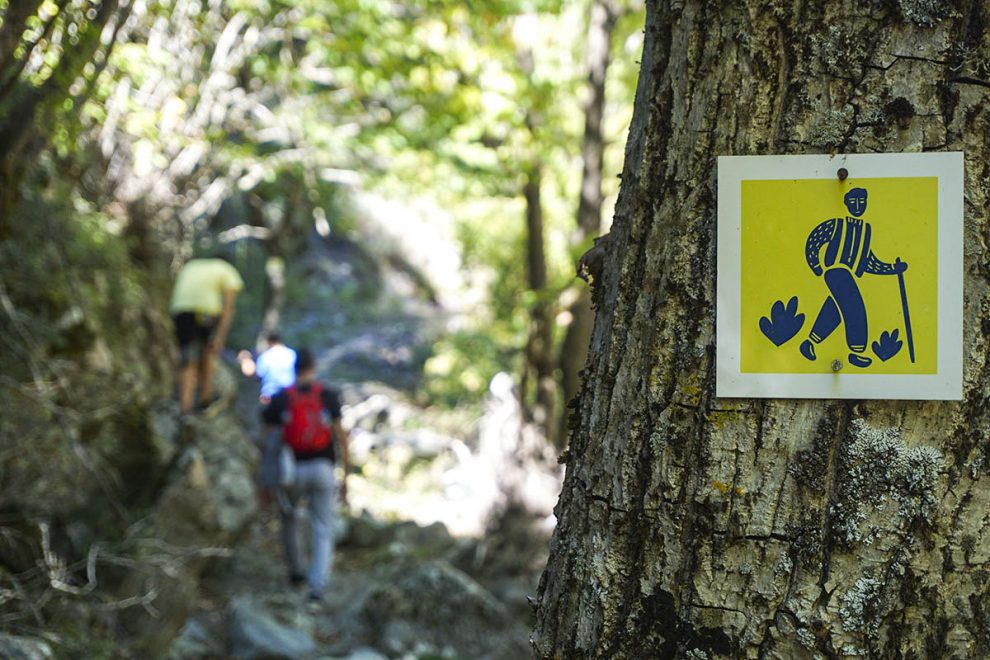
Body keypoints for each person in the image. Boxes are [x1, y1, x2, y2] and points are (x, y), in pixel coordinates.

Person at [262, 348, 349, 602]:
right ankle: (317, 586)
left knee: (289, 519)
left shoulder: (279, 399)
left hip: (290, 470)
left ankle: (296, 572)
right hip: (323, 468)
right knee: (323, 526)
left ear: (294, 368)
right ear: (313, 366)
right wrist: (346, 474)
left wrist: (266, 480)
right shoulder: (328, 396)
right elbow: (341, 437)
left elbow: (269, 443)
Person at [799, 187, 907, 368]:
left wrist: (892, 269)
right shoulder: (837, 224)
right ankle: (857, 352)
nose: (858, 206)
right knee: (855, 308)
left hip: (848, 274)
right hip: (835, 271)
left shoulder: (865, 230)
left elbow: (868, 261)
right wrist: (816, 266)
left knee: (834, 310)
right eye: (853, 202)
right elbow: (814, 240)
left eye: (862, 202)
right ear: (846, 203)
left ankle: (809, 343)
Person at [170, 253, 244, 413]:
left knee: (188, 359)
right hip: (203, 312)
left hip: (180, 311)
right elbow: (228, 308)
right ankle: (206, 399)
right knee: (208, 353)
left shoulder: (192, 266)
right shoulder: (227, 269)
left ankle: (185, 408)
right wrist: (219, 338)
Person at [239, 333, 297, 404]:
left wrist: (246, 361)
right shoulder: (292, 354)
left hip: (270, 395)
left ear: (269, 342)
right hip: (290, 394)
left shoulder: (265, 356)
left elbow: (258, 373)